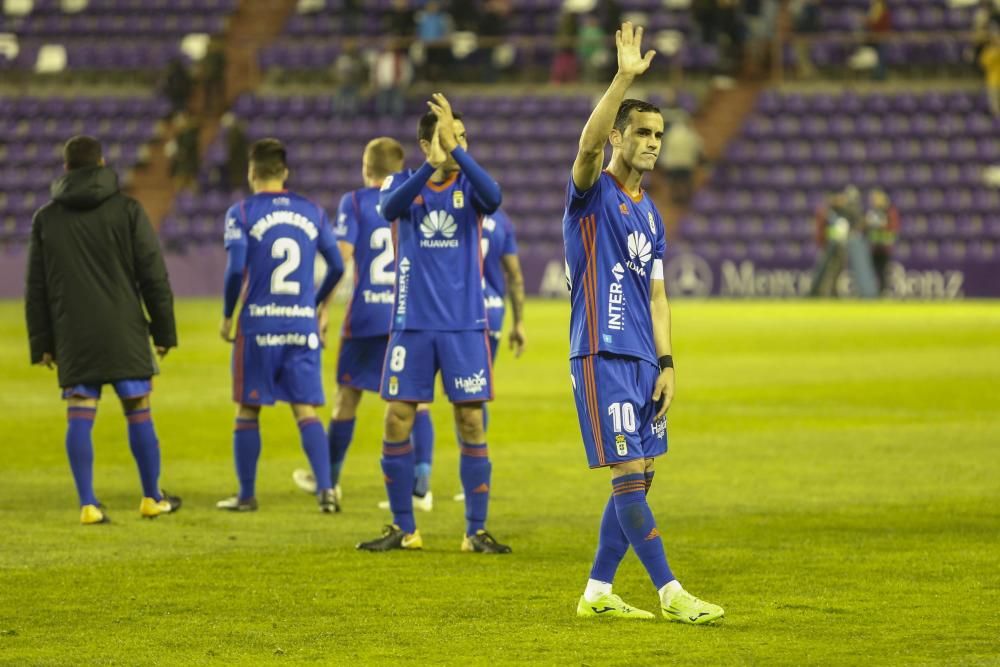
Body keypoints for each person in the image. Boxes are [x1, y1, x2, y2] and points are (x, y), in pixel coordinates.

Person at [563, 23, 724, 623]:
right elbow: (584, 150)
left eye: (659, 133)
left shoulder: (651, 215)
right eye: (642, 132)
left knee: (641, 476)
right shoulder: (591, 193)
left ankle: (598, 592)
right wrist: (624, 78)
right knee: (629, 472)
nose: (654, 142)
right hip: (600, 353)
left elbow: (659, 298)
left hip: (640, 358)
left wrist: (668, 363)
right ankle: (670, 592)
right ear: (618, 138)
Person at [356, 94, 510, 554]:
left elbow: (495, 197)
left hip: (464, 325)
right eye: (447, 138)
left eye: (462, 137)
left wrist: (457, 152)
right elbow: (388, 210)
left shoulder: (473, 188)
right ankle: (405, 528)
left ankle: (474, 531)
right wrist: (432, 163)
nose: (458, 145)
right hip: (413, 325)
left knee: (471, 422)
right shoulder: (401, 183)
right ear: (426, 144)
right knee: (397, 419)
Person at [25, 135, 180, 525]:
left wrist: (42, 342)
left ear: (66, 170)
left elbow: (36, 287)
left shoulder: (45, 218)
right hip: (124, 327)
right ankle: (151, 497)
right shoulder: (128, 210)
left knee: (80, 411)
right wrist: (163, 331)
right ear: (102, 163)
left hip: (73, 333)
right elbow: (152, 274)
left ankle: (89, 505)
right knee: (138, 409)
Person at [216, 139, 345, 513]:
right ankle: (326, 493)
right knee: (306, 409)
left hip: (258, 324)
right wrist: (316, 303)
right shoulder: (313, 211)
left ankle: (246, 495)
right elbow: (337, 266)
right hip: (302, 325)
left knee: (248, 409)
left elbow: (236, 269)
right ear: (285, 172)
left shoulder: (240, 212)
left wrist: (228, 315)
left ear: (251, 173)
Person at [290, 137, 407, 509]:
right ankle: (420, 486)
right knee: (412, 400)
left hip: (365, 316)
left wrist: (321, 305)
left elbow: (341, 258)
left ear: (366, 168)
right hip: (404, 315)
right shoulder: (412, 196)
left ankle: (330, 480)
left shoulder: (354, 202)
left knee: (347, 397)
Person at [385, 206, 528, 508]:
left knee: (417, 399)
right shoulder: (502, 220)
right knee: (472, 398)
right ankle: (471, 486)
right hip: (490, 313)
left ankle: (422, 485)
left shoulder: (449, 212)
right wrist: (519, 321)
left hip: (454, 310)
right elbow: (514, 273)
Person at [658, 112, 703, 205]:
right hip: (686, 165)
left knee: (674, 182)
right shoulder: (690, 133)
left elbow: (664, 149)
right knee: (686, 182)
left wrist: (663, 163)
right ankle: (687, 198)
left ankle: (675, 198)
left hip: (673, 165)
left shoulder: (670, 133)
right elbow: (698, 148)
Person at [863, 188, 900, 295]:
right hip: (874, 247)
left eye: (876, 199)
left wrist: (881, 226)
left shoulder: (889, 212)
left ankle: (883, 292)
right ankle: (876, 292)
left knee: (883, 271)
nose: (873, 201)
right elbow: (866, 228)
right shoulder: (872, 212)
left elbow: (893, 228)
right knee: (874, 271)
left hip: (884, 247)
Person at [981, 31, 1000, 116]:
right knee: (994, 107)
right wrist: (996, 53)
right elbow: (984, 63)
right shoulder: (988, 51)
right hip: (993, 82)